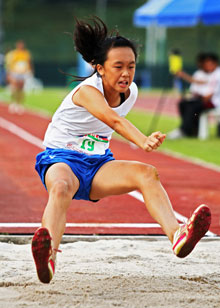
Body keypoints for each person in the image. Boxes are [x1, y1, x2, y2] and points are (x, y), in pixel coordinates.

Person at [32, 17, 211, 284]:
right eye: (118, 67)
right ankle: (49, 258)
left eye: (131, 66)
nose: (126, 73)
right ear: (100, 68)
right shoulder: (86, 92)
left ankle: (178, 236)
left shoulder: (132, 92)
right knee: (60, 188)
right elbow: (113, 120)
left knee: (147, 174)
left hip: (99, 165)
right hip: (61, 159)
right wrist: (143, 141)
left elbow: (115, 122)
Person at [167, 53, 220, 139]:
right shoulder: (201, 73)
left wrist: (184, 75)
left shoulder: (217, 74)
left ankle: (184, 130)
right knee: (183, 103)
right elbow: (196, 86)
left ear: (215, 63)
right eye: (206, 64)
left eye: (209, 64)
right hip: (200, 99)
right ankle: (190, 129)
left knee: (193, 106)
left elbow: (209, 94)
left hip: (213, 102)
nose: (207, 66)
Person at [5, 40, 33, 114]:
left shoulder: (26, 53)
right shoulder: (14, 53)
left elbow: (29, 62)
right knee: (14, 88)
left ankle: (19, 104)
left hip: (23, 73)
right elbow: (9, 64)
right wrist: (8, 74)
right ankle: (13, 103)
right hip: (15, 73)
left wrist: (30, 71)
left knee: (21, 89)